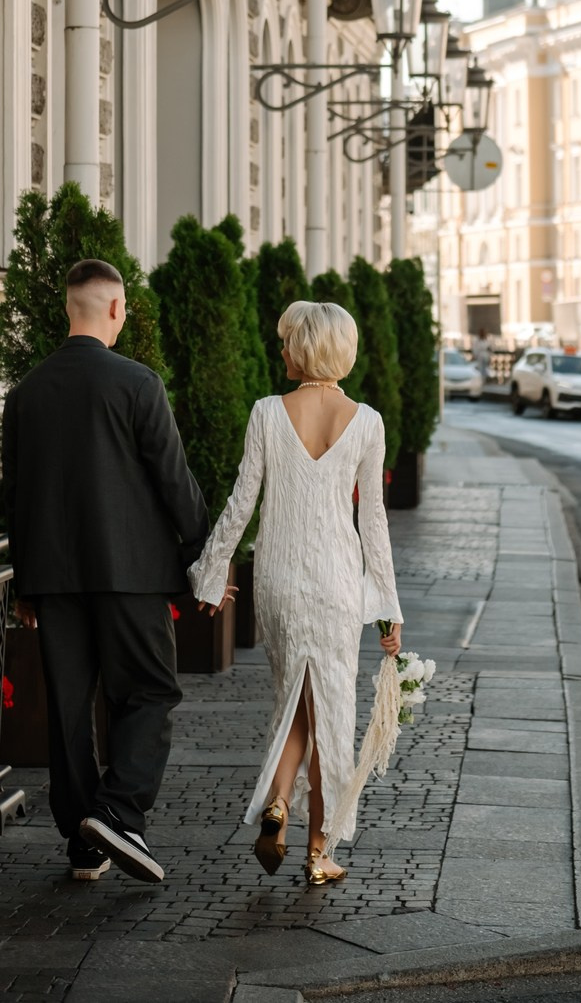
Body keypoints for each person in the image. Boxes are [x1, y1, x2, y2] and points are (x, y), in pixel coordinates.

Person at [1, 258, 208, 886]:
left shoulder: (25, 394)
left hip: (55, 579)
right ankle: (118, 812)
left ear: (70, 308)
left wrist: (27, 581)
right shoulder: (137, 383)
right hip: (132, 573)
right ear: (115, 309)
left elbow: (17, 493)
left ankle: (83, 841)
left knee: (68, 708)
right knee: (149, 691)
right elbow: (173, 479)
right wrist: (206, 554)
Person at [188, 299, 402, 887]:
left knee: (294, 702)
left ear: (305, 348)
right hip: (337, 582)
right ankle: (317, 852)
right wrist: (386, 608)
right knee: (329, 713)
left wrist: (212, 571)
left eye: (285, 341)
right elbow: (373, 524)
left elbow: (241, 504)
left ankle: (279, 800)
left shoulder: (265, 412)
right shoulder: (367, 421)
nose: (279, 350)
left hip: (278, 580)